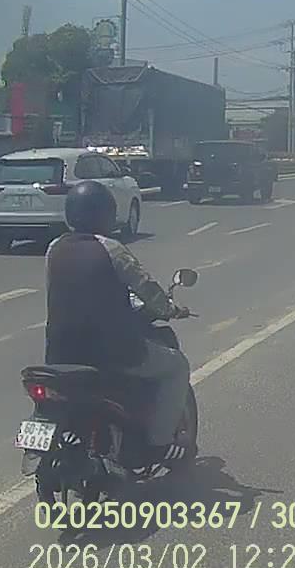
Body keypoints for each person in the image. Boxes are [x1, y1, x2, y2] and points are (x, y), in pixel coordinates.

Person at [44, 180, 192, 461]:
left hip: (60, 353)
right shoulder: (111, 248)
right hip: (112, 352)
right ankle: (160, 443)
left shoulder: (55, 248)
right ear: (105, 214)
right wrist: (170, 310)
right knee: (176, 367)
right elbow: (146, 287)